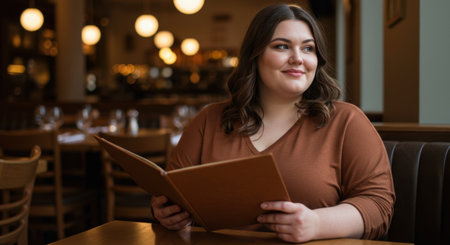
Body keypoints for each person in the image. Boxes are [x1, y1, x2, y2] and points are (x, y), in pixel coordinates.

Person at [151, 3, 395, 243]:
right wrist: (165, 212)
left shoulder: (346, 121)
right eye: (282, 46)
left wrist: (316, 224)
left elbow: (378, 206)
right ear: (254, 56)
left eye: (308, 49)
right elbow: (171, 192)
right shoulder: (209, 120)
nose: (298, 58)